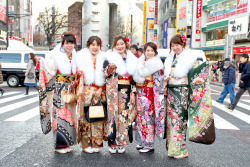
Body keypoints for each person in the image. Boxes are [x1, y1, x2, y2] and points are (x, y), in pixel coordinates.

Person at [164, 35, 215, 159]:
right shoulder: (170, 58)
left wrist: (206, 65)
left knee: (179, 120)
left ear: (183, 45)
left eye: (177, 45)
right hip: (171, 92)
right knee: (171, 121)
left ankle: (179, 150)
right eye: (173, 45)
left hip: (182, 92)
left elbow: (195, 72)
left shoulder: (187, 58)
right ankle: (174, 148)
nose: (175, 48)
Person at [38, 31, 78, 154]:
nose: (69, 46)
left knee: (70, 116)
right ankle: (59, 145)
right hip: (59, 89)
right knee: (59, 116)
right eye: (67, 43)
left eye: (71, 43)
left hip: (71, 88)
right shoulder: (56, 55)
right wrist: (41, 63)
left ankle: (68, 143)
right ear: (63, 43)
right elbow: (49, 70)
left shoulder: (75, 55)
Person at [103, 35, 138, 154]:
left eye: (122, 44)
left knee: (124, 116)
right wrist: (110, 68)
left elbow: (134, 77)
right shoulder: (109, 56)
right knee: (112, 115)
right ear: (114, 45)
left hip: (126, 89)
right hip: (113, 89)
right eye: (117, 44)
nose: (120, 46)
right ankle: (112, 143)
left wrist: (133, 92)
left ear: (125, 44)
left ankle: (122, 142)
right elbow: (104, 73)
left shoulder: (131, 58)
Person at [75, 36, 107, 153]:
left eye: (97, 45)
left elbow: (108, 77)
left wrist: (101, 88)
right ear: (88, 45)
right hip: (85, 90)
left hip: (99, 91)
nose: (95, 47)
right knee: (86, 118)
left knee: (98, 117)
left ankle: (96, 144)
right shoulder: (81, 57)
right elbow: (76, 74)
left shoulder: (104, 58)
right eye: (92, 44)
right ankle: (86, 144)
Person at [133, 42, 165, 153]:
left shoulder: (157, 64)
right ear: (144, 51)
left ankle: (149, 144)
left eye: (152, 51)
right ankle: (142, 141)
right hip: (140, 93)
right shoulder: (140, 61)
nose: (150, 53)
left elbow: (159, 80)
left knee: (148, 118)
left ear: (155, 52)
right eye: (148, 50)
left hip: (150, 94)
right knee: (140, 118)